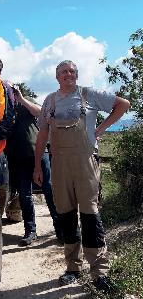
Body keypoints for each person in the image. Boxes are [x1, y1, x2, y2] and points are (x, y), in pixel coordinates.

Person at [33, 60, 130, 291]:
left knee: (90, 215)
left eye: (72, 71)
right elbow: (43, 134)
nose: (68, 74)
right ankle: (72, 268)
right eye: (63, 71)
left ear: (76, 75)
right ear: (57, 77)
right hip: (59, 164)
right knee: (65, 215)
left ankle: (99, 272)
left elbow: (123, 104)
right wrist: (37, 165)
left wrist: (100, 129)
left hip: (86, 162)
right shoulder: (50, 101)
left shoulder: (89, 94)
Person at [6, 85, 62, 247]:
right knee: (24, 195)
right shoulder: (4, 107)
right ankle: (30, 231)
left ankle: (60, 229)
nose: (8, 93)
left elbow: (40, 113)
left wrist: (21, 99)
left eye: (10, 90)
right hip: (18, 158)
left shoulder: (26, 101)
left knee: (49, 190)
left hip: (38, 152)